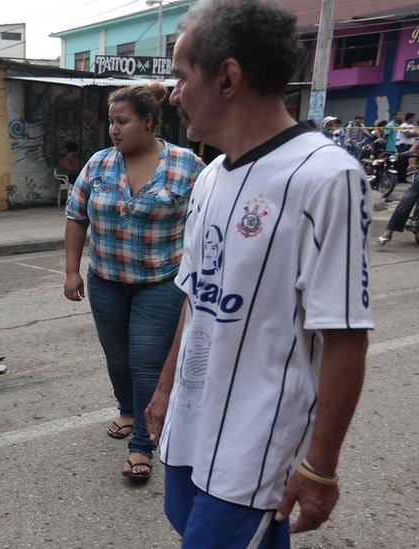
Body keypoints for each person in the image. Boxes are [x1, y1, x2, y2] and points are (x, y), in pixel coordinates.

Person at [145, 0, 372, 546]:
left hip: (257, 447)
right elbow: (195, 297)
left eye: (181, 75)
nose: (173, 93)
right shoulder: (209, 178)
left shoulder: (327, 176)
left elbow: (344, 336)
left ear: (227, 77)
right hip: (191, 424)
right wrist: (165, 388)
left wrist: (320, 466)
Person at [63, 82, 204, 482]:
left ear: (148, 121)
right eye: (111, 121)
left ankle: (142, 444)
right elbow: (76, 216)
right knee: (117, 357)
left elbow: (207, 220)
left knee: (146, 364)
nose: (114, 129)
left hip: (160, 283)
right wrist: (73, 270)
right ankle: (126, 408)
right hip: (106, 280)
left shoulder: (186, 165)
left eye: (122, 121)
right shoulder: (99, 164)